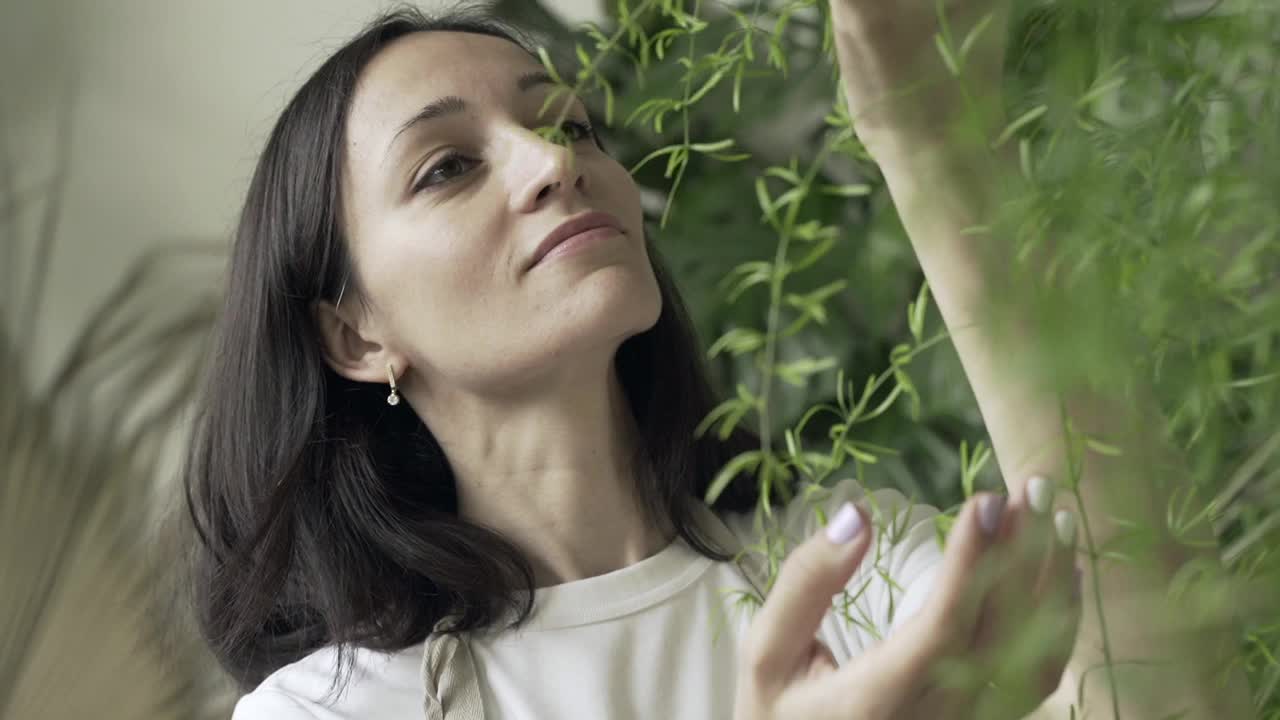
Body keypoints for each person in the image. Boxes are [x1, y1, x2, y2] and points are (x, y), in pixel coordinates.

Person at [184, 4, 1251, 720]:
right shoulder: (330, 712)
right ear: (354, 332)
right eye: (448, 165)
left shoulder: (856, 569)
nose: (556, 161)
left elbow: (1175, 682)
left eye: (571, 123)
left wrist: (932, 137)